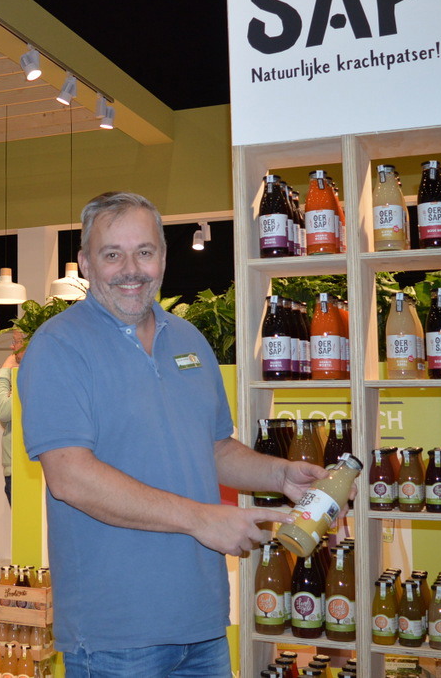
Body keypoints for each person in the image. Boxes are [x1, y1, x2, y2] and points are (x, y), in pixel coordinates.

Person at [20, 192, 325, 676]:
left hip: (202, 622)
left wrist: (280, 475)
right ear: (85, 263)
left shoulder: (189, 340)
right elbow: (70, 477)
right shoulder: (58, 346)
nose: (131, 269)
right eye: (112, 254)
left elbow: (213, 447)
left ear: (162, 257)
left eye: (144, 251)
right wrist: (201, 519)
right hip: (116, 633)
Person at [0, 331, 25, 504]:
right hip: (24, 468)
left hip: (21, 470)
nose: (11, 346)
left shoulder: (28, 376)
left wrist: (5, 370)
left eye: (16, 341)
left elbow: (3, 411)